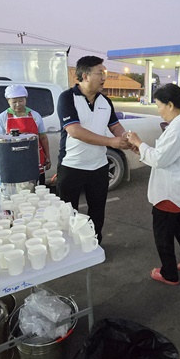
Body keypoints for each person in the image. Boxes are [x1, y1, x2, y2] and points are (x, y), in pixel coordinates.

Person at [126, 84, 180, 285]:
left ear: (170, 105)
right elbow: (167, 154)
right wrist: (143, 150)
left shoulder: (178, 127)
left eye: (159, 105)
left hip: (169, 193)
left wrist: (139, 142)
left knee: (163, 234)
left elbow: (160, 159)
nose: (158, 110)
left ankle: (169, 273)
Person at [56, 56, 130, 243]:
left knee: (97, 211)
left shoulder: (105, 101)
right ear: (85, 76)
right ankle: (69, 246)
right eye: (100, 73)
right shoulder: (67, 98)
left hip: (98, 167)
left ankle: (94, 244)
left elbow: (115, 126)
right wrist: (111, 142)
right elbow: (75, 131)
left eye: (104, 73)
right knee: (68, 212)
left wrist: (127, 139)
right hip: (72, 166)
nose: (104, 77)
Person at [0, 84, 51, 185]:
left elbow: (43, 138)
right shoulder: (2, 118)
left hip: (35, 158)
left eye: (21, 101)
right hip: (13, 159)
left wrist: (48, 157)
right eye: (14, 102)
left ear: (26, 99)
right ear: (8, 101)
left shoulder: (35, 115)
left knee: (38, 186)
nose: (18, 104)